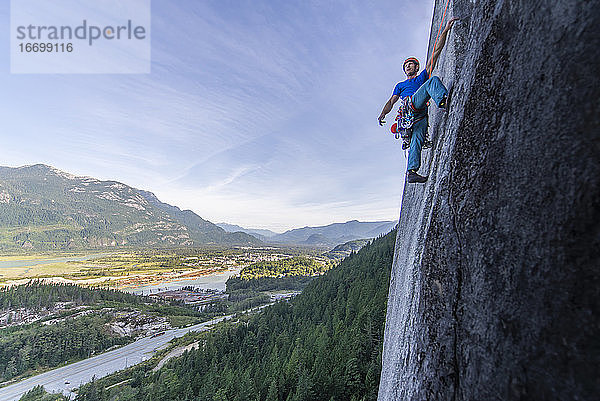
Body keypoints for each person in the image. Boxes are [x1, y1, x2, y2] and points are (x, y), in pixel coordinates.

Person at [378, 18, 459, 183]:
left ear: (416, 67)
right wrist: (383, 113)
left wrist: (445, 30)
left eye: (411, 64)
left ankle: (412, 171)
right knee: (432, 82)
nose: (408, 66)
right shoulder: (401, 85)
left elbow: (436, 52)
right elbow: (391, 101)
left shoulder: (421, 76)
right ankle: (443, 101)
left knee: (417, 140)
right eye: (406, 65)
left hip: (420, 114)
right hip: (409, 108)